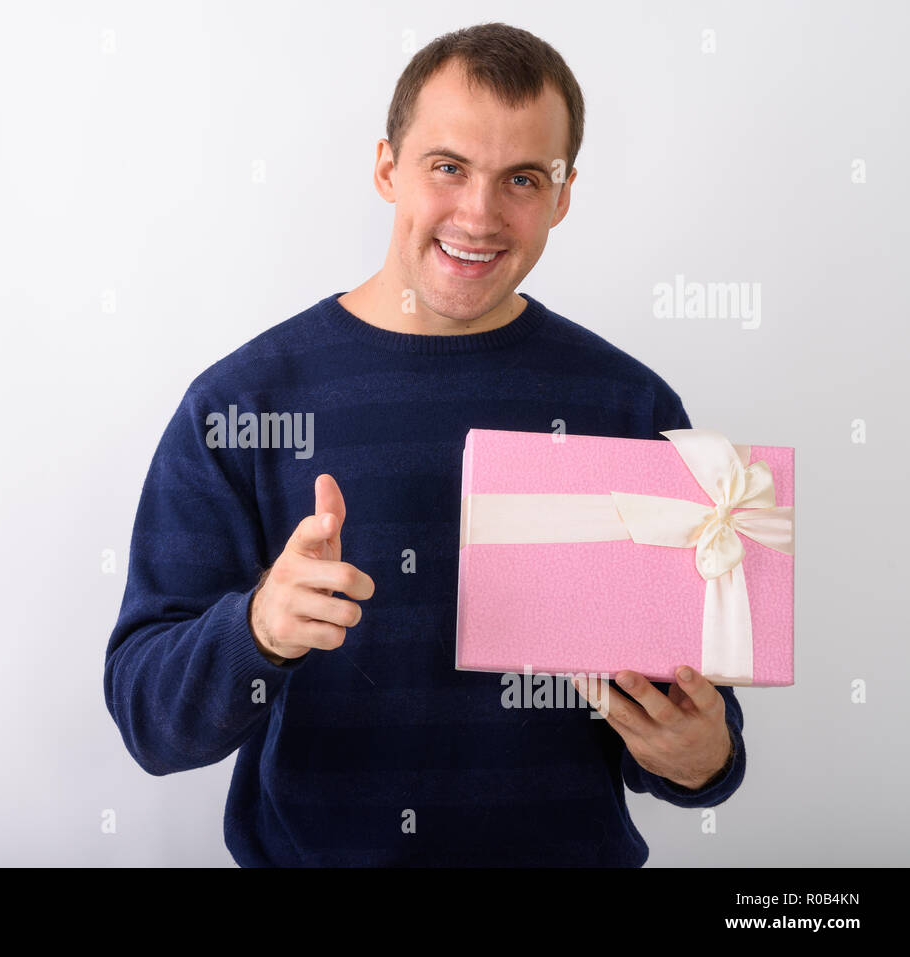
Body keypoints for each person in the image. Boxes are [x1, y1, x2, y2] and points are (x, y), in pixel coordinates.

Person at [104, 22, 743, 866]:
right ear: (386, 169)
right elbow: (150, 719)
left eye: (521, 178)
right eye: (448, 167)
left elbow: (693, 716)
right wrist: (256, 627)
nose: (478, 214)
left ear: (562, 195)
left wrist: (704, 757)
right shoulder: (241, 403)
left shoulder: (628, 404)